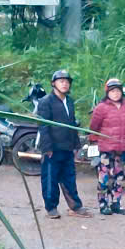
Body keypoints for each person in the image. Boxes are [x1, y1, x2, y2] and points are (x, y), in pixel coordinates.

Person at [36, 70, 93, 219]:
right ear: (53, 83)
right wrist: (47, 148)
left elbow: (72, 124)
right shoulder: (46, 101)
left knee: (69, 178)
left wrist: (76, 145)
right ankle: (51, 207)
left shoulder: (69, 101)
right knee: (50, 179)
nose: (64, 83)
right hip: (52, 149)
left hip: (67, 147)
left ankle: (75, 206)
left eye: (67, 81)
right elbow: (43, 126)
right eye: (61, 81)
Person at [87, 78, 125, 216]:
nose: (115, 94)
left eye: (118, 91)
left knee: (119, 178)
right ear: (107, 92)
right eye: (112, 91)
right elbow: (94, 127)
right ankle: (103, 204)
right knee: (104, 178)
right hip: (106, 149)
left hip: (121, 149)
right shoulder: (101, 108)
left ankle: (116, 203)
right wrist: (96, 141)